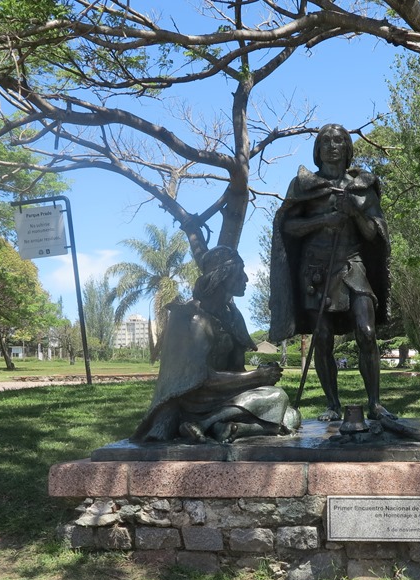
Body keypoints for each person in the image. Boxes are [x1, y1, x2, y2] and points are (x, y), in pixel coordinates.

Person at [270, 123, 392, 421]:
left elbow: (374, 234)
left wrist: (355, 213)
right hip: (316, 270)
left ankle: (375, 404)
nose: (332, 145)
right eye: (325, 141)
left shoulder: (362, 187)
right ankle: (333, 405)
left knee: (366, 332)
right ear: (318, 150)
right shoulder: (304, 185)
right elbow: (287, 226)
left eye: (339, 140)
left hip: (352, 265)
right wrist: (324, 221)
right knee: (322, 338)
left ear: (347, 149)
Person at [133, 246, 301, 443]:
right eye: (241, 271)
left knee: (292, 416)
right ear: (224, 274)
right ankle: (204, 422)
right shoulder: (192, 317)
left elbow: (237, 370)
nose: (246, 278)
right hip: (196, 399)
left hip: (225, 395)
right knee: (277, 397)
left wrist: (260, 377)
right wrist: (256, 376)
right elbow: (200, 379)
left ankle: (226, 428)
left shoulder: (233, 316)